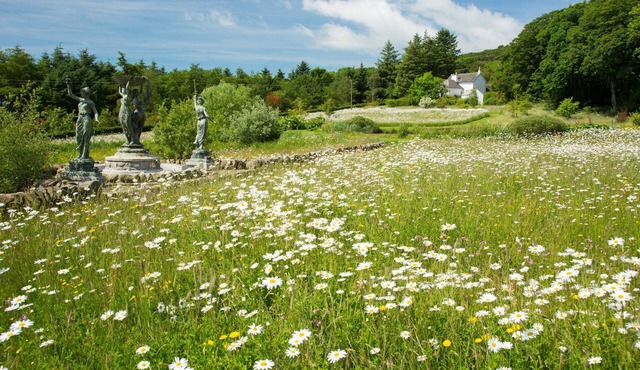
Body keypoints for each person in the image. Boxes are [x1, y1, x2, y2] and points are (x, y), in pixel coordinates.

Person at [67, 78, 99, 159]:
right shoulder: (80, 100)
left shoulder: (90, 102)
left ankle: (85, 155)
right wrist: (68, 85)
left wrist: (96, 118)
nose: (81, 94)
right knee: (78, 136)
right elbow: (71, 95)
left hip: (86, 118)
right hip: (80, 118)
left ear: (86, 93)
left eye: (82, 92)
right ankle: (80, 153)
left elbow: (95, 111)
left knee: (86, 136)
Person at [118, 80, 133, 145]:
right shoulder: (122, 95)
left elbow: (127, 88)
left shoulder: (127, 96)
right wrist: (120, 85)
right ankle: (127, 139)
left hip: (126, 110)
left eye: (124, 89)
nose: (123, 90)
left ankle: (132, 138)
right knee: (123, 124)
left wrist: (128, 82)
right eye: (123, 89)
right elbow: (119, 91)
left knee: (127, 123)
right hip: (122, 110)